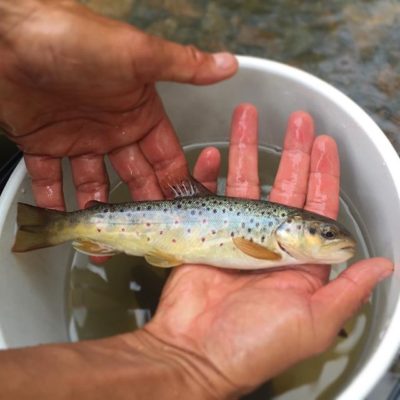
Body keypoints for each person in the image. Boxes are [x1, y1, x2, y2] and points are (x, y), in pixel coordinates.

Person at [0, 1, 393, 399]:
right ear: (292, 230)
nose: (333, 240)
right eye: (324, 234)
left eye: (326, 234)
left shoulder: (277, 247)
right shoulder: (269, 248)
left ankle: (52, 227)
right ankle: (52, 227)